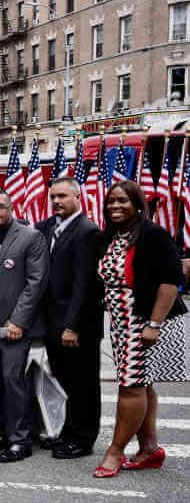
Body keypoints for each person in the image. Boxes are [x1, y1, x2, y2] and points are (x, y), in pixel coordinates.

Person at [93, 180, 183, 478]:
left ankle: (114, 452)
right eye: (111, 201)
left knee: (130, 386)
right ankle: (149, 450)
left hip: (146, 321)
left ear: (137, 204)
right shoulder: (113, 235)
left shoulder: (152, 235)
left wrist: (154, 324)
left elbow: (171, 282)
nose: (115, 206)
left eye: (123, 201)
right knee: (141, 384)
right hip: (121, 322)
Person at [0, 189, 49, 463]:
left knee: (13, 382)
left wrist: (18, 321)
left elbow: (35, 284)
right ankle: (3, 432)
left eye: (0, 206)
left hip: (15, 325)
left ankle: (20, 440)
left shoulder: (30, 236)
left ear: (11, 207)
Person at [36, 177, 102, 460]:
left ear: (78, 197)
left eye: (63, 196)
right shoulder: (50, 227)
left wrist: (72, 326)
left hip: (78, 325)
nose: (57, 201)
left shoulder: (87, 231)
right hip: (54, 321)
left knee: (83, 384)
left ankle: (83, 439)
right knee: (64, 381)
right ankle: (67, 431)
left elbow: (84, 285)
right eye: (53, 196)